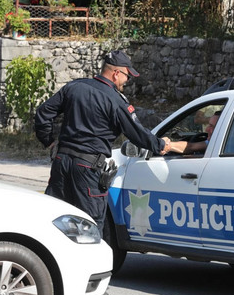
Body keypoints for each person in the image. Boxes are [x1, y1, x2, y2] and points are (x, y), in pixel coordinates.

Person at [34, 50, 172, 234]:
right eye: (127, 76)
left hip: (61, 162)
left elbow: (43, 113)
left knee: (55, 220)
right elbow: (137, 134)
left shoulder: (75, 86)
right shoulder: (116, 101)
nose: (127, 81)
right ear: (116, 73)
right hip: (88, 169)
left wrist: (49, 142)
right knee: (88, 226)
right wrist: (160, 145)